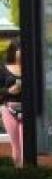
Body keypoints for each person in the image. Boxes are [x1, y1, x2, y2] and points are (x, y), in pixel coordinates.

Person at [0, 40, 22, 168]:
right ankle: (18, 173)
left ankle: (28, 173)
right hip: (9, 109)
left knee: (26, 144)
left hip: (28, 109)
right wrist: (8, 90)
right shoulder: (3, 68)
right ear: (13, 52)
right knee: (16, 145)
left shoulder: (30, 68)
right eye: (20, 50)